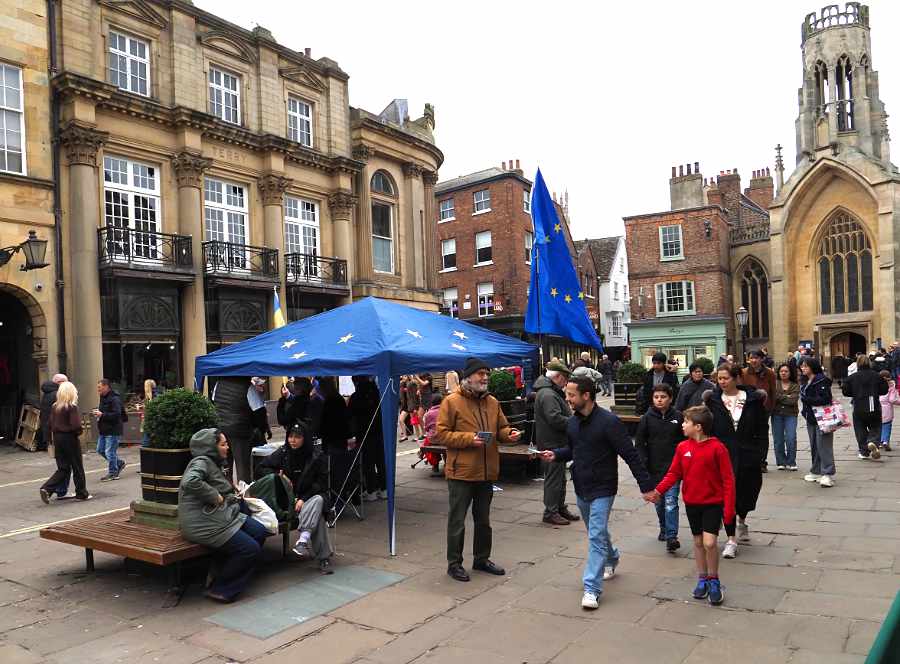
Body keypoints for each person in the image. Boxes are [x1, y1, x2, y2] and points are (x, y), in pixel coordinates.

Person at [541, 375, 656, 609]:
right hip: (582, 486)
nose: (567, 399)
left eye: (571, 395)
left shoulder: (609, 422)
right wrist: (557, 454)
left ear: (586, 395)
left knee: (595, 535)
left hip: (604, 487)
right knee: (598, 532)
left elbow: (630, 455)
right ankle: (612, 557)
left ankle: (591, 588)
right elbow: (574, 450)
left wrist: (646, 487)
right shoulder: (572, 423)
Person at [435, 357, 521, 582]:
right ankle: (454, 563)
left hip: (486, 471)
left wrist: (508, 434)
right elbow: (441, 434)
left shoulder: (492, 402)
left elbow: (501, 427)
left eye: (487, 374)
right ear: (468, 377)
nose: (485, 378)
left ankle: (482, 558)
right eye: (480, 374)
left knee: (483, 519)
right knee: (457, 520)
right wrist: (468, 439)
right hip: (461, 472)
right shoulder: (451, 402)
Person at [649, 405, 734, 606]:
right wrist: (658, 491)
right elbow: (673, 473)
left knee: (710, 543)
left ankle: (714, 579)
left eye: (686, 422)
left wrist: (728, 510)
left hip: (713, 503)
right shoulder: (682, 448)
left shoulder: (717, 448)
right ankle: (702, 578)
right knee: (697, 543)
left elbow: (728, 480)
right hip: (692, 503)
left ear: (698, 427)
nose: (682, 425)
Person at [179, 428, 271, 602]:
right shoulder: (201, 462)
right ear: (210, 447)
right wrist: (214, 496)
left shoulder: (214, 462)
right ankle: (221, 588)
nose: (227, 447)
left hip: (220, 515)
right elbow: (190, 481)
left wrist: (232, 491)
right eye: (223, 444)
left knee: (259, 531)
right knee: (249, 549)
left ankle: (231, 569)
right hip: (203, 521)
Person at [703, 364, 767, 559]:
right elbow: (708, 430)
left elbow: (762, 430)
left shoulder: (753, 399)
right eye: (719, 379)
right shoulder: (713, 400)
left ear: (736, 378)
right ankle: (731, 539)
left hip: (748, 454)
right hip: (722, 455)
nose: (721, 382)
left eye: (725, 378)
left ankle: (742, 518)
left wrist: (760, 455)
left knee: (748, 493)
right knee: (726, 497)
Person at [258, 422, 333, 573]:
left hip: (308, 499)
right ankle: (321, 556)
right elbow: (261, 467)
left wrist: (303, 499)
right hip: (288, 501)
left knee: (318, 501)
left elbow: (321, 484)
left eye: (297, 437)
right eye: (290, 436)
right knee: (317, 514)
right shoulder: (284, 452)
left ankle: (304, 540)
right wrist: (280, 477)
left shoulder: (316, 456)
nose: (293, 440)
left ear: (305, 439)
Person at [634, 383, 684, 552]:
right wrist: (643, 462)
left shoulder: (678, 416)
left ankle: (672, 536)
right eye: (656, 397)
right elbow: (640, 443)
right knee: (659, 502)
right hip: (653, 468)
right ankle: (664, 527)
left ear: (670, 398)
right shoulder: (647, 418)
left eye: (663, 397)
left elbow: (684, 440)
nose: (659, 400)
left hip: (673, 468)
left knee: (671, 502)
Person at [533, 361, 580, 526]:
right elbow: (554, 419)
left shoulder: (550, 392)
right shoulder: (548, 394)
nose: (566, 382)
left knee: (560, 478)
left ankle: (559, 508)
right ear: (557, 376)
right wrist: (574, 422)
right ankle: (551, 511)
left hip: (556, 441)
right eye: (565, 378)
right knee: (554, 479)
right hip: (551, 443)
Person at [40, 382, 91, 503]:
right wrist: (79, 433)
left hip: (57, 438)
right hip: (69, 438)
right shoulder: (71, 407)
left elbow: (50, 424)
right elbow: (76, 425)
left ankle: (47, 488)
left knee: (63, 468)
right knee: (77, 466)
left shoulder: (55, 406)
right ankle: (81, 493)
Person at [798, 358, 837, 487]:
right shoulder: (805, 381)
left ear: (812, 367)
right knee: (814, 445)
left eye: (805, 366)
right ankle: (816, 470)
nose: (802, 368)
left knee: (824, 446)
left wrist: (808, 400)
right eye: (802, 366)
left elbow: (825, 399)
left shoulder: (821, 380)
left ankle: (827, 473)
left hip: (823, 418)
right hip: (811, 418)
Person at [843, 355, 889, 460]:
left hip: (859, 405)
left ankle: (864, 451)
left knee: (860, 428)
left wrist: (855, 393)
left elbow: (845, 391)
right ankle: (872, 441)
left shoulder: (852, 377)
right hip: (874, 405)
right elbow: (884, 390)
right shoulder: (877, 376)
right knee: (876, 426)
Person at [348, 376, 386, 502]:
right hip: (379, 431)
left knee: (368, 463)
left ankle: (371, 490)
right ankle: (384, 488)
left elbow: (351, 416)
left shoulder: (356, 397)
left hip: (364, 433)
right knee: (381, 461)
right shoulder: (377, 393)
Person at [740, 350, 776, 473]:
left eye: (756, 358)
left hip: (763, 409)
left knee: (762, 436)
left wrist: (771, 407)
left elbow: (773, 391)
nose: (754, 360)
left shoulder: (769, 373)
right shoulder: (744, 373)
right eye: (751, 358)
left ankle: (762, 462)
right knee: (749, 434)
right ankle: (751, 460)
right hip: (748, 408)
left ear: (761, 359)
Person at [39, 373, 70, 497]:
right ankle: (57, 490)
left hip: (51, 434)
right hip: (60, 434)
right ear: (59, 383)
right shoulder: (57, 395)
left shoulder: (46, 395)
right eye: (65, 383)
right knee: (65, 465)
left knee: (62, 463)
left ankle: (60, 490)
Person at [93, 378, 126, 482]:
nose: (98, 389)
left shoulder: (114, 399)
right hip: (104, 429)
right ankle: (119, 463)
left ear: (106, 387)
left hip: (113, 429)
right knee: (100, 450)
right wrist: (99, 414)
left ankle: (113, 473)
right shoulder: (103, 397)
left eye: (100, 387)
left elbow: (117, 414)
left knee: (109, 452)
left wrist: (102, 415)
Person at [772, 363, 800, 471]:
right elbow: (774, 396)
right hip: (777, 414)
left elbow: (793, 400)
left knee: (791, 437)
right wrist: (786, 396)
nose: (783, 373)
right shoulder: (775, 384)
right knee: (778, 439)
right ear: (778, 373)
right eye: (781, 371)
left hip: (791, 414)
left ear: (790, 373)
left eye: (786, 371)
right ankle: (781, 461)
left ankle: (791, 461)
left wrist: (780, 397)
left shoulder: (795, 385)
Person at [421, 393, 443, 476]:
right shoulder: (446, 411)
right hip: (445, 437)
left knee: (428, 442)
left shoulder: (428, 414)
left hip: (433, 439)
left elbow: (426, 428)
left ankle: (435, 465)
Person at [879, 370, 900, 452]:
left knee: (879, 427)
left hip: (878, 409)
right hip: (887, 410)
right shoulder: (891, 387)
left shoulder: (876, 385)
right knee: (887, 426)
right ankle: (885, 441)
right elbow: (892, 399)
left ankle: (880, 441)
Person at [139, 378, 156, 447]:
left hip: (149, 420)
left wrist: (143, 408)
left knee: (146, 440)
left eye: (145, 386)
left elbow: (152, 408)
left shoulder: (153, 396)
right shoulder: (149, 396)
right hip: (148, 419)